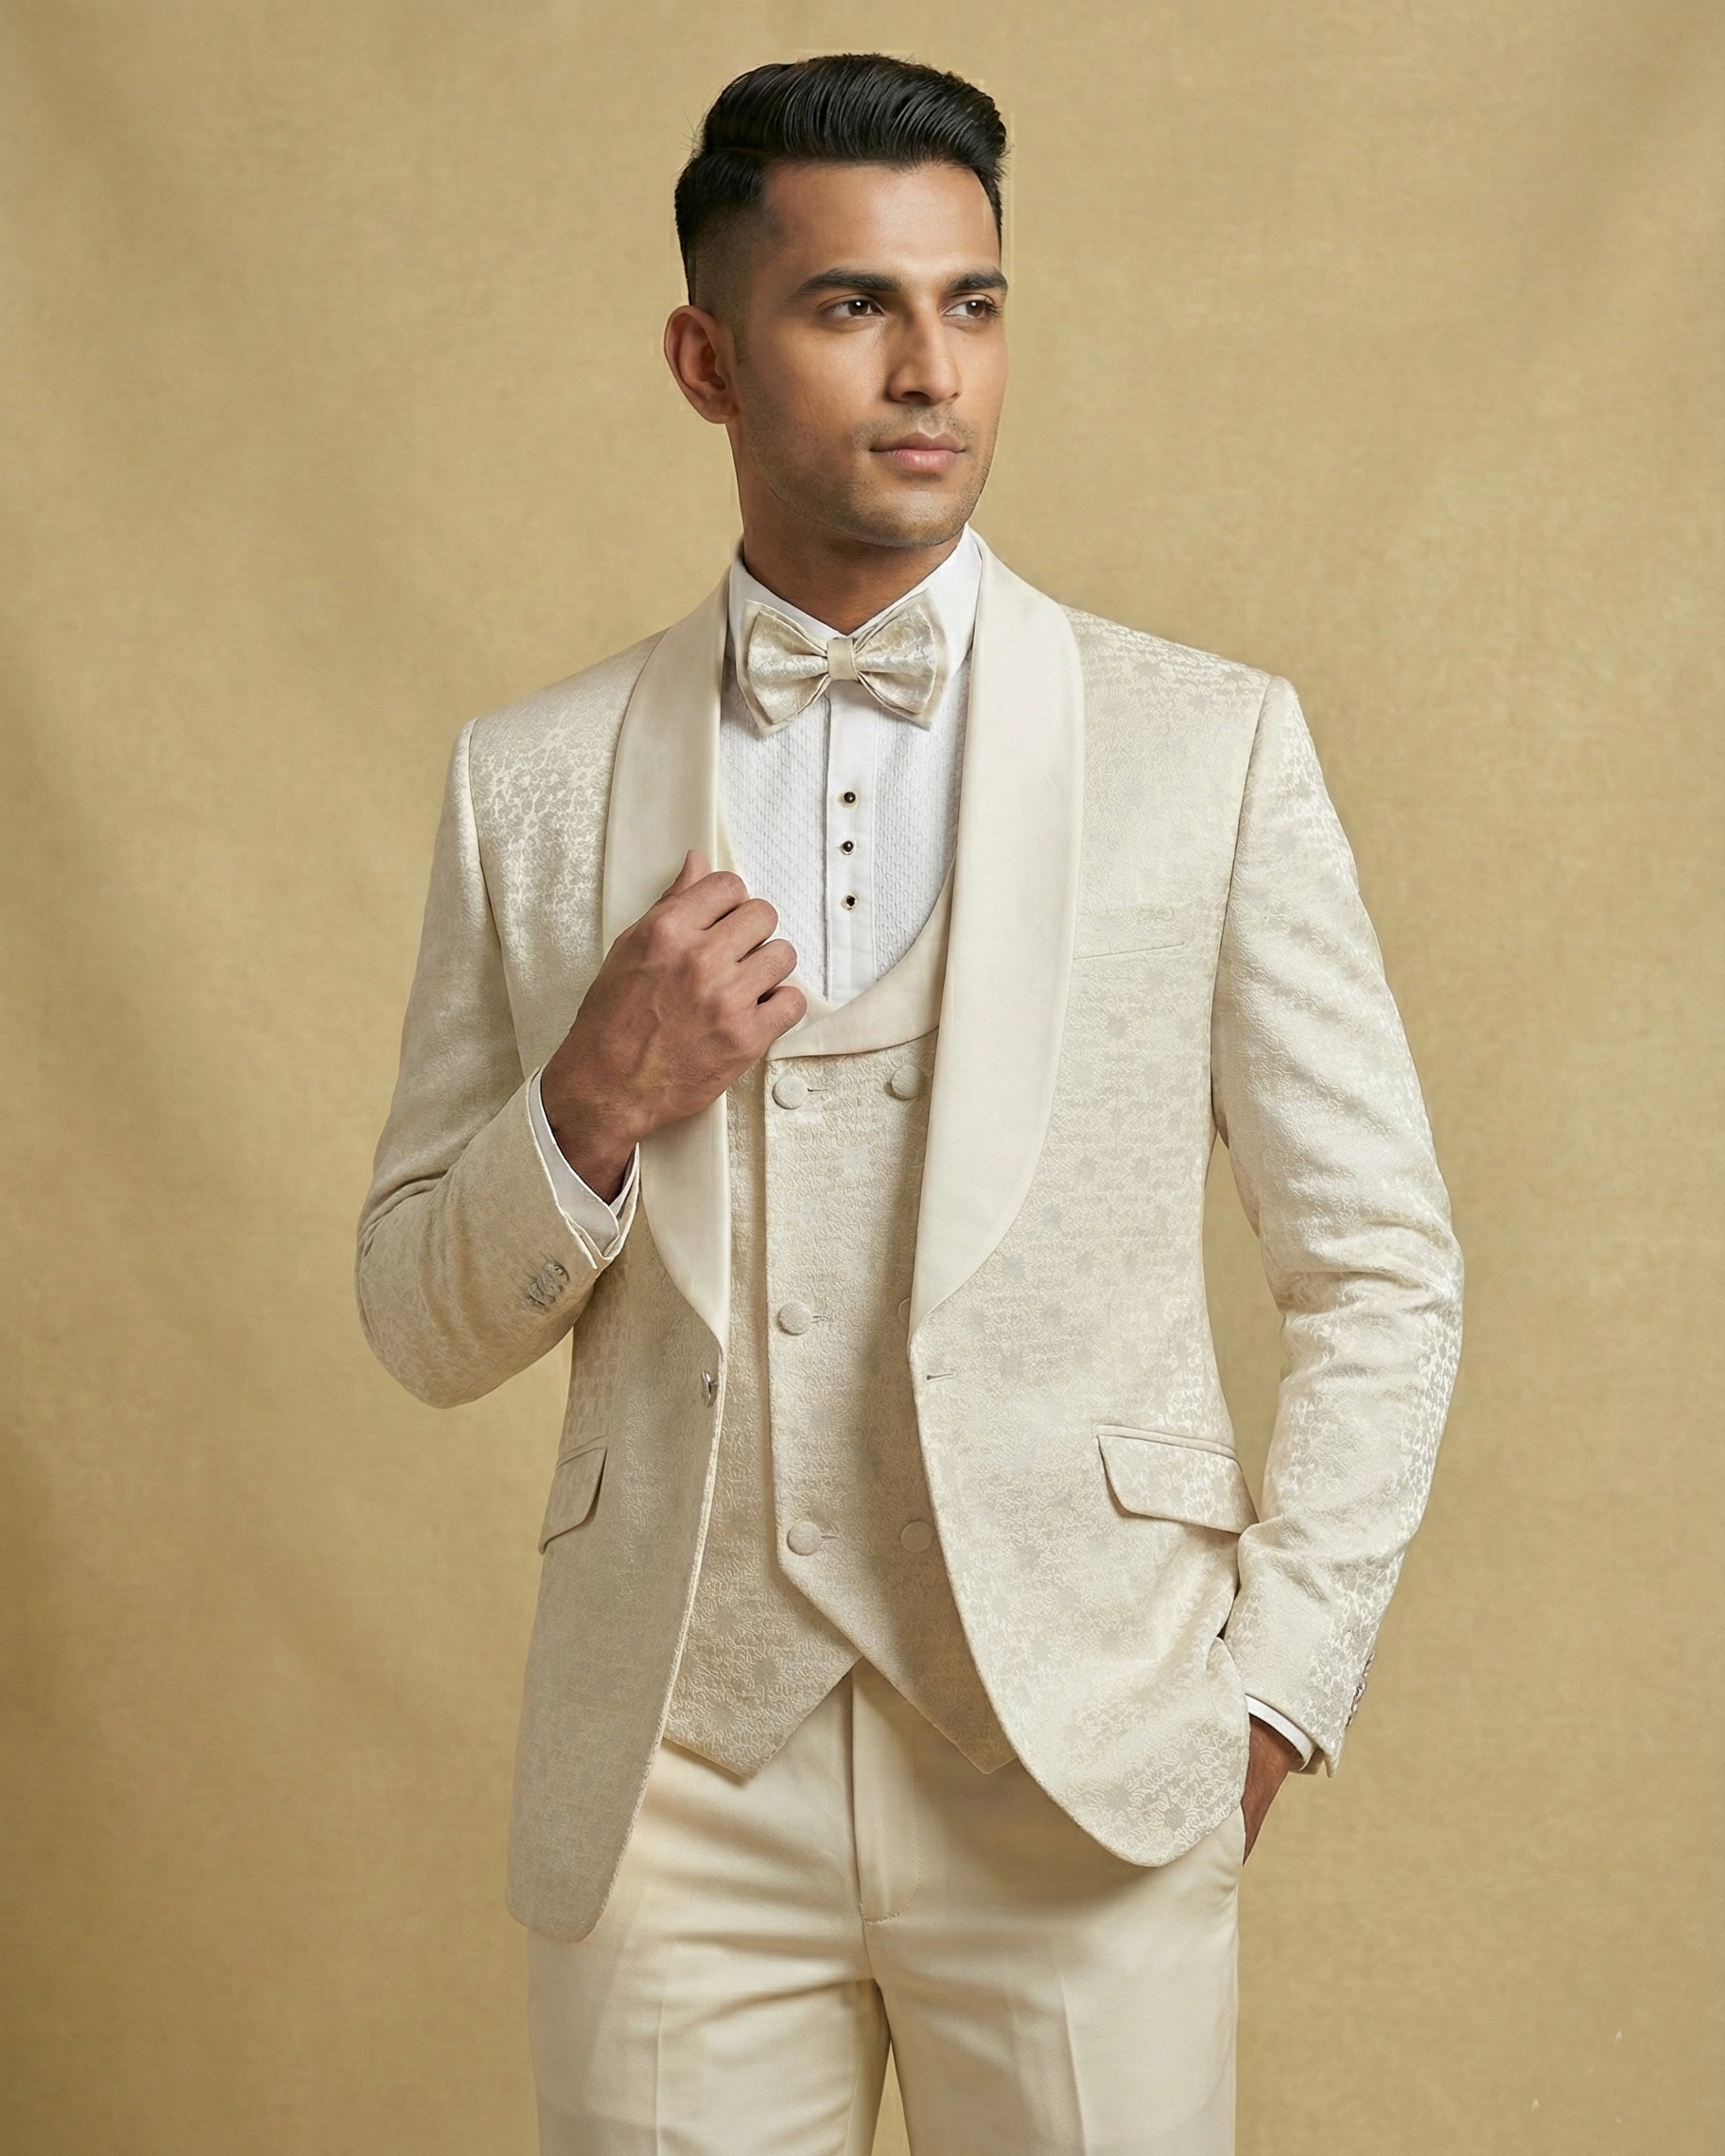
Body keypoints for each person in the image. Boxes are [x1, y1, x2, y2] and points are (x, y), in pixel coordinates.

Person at [357, 52, 1462, 2156]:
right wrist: (588, 1103)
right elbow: (416, 1315)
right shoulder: (531, 781)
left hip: (1085, 1764)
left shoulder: (1208, 748)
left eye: (973, 304)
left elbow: (1382, 1263)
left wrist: (1270, 1695)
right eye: (852, 304)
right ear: (707, 359)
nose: (931, 370)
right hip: (675, 1790)